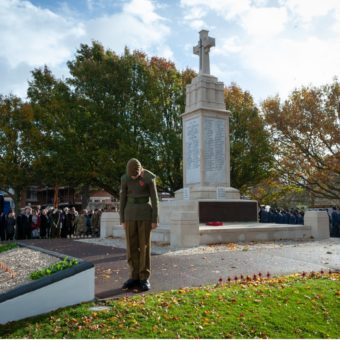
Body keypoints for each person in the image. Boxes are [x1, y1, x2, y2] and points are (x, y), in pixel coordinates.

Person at [119, 158, 159, 292]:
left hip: (145, 214)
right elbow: (122, 198)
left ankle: (144, 277)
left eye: (135, 175)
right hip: (129, 214)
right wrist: (122, 219)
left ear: (140, 170)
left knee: (144, 246)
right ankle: (134, 276)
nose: (133, 177)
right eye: (131, 175)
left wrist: (155, 219)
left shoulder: (148, 178)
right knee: (131, 246)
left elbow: (154, 199)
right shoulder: (125, 179)